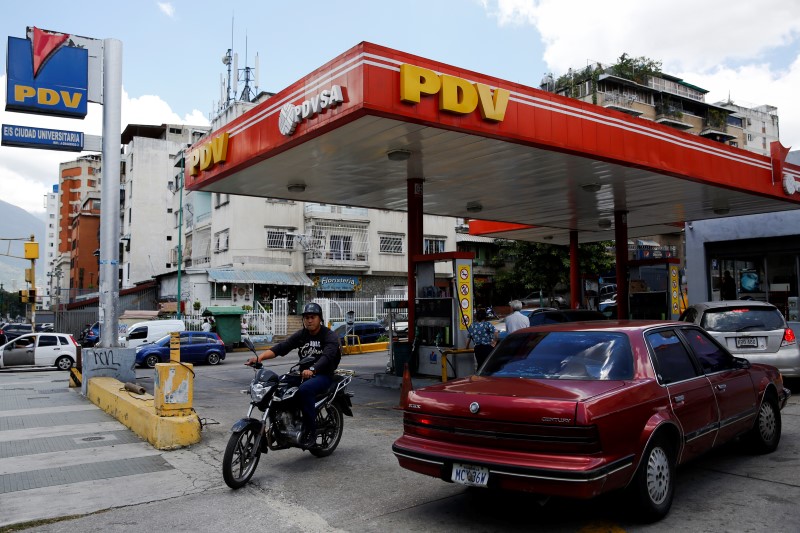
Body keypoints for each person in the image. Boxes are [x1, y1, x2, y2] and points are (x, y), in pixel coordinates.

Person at [246, 302, 342, 449]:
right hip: (302, 374)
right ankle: (278, 425)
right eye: (306, 317)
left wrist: (313, 369)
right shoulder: (302, 334)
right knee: (275, 385)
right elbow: (281, 347)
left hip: (322, 375)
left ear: (319, 319)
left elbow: (327, 356)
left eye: (313, 317)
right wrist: (260, 358)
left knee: (305, 390)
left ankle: (311, 431)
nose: (309, 320)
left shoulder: (329, 335)